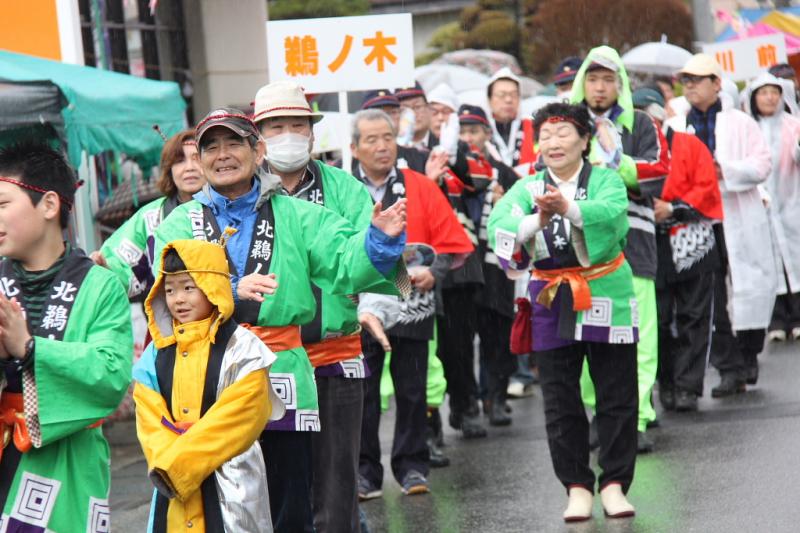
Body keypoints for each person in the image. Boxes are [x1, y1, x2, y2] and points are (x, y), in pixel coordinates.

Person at [154, 108, 407, 532]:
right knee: (220, 501)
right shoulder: (181, 222)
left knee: (291, 500)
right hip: (209, 372)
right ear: (200, 159)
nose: (222, 155)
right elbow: (168, 291)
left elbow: (344, 260)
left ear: (258, 152)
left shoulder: (297, 215)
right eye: (211, 147)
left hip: (281, 370)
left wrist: (378, 241)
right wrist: (232, 291)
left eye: (233, 143)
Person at [488, 103, 638, 522]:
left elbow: (612, 215)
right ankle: (576, 486)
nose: (553, 143)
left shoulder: (606, 180)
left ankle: (614, 483)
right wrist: (538, 219)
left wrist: (568, 209)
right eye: (545, 136)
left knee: (616, 392)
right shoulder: (527, 187)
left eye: (563, 134)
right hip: (551, 297)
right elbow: (499, 226)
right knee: (559, 396)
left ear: (585, 140)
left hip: (606, 290)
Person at [253, 79, 387, 533]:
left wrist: (380, 302)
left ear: (312, 134)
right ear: (257, 138)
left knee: (336, 486)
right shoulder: (241, 195)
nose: (288, 135)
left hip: (334, 354)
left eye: (297, 125)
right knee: (274, 487)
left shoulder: (346, 190)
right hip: (263, 362)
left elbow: (377, 259)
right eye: (276, 127)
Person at [0, 142, 133, 530]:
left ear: (48, 205)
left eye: (2, 204)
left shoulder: (100, 286)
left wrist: (29, 349)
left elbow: (111, 376)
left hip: (69, 461)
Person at [352, 108, 474, 499]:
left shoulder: (418, 184)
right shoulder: (342, 188)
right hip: (357, 307)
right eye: (371, 140)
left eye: (387, 138)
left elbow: (450, 243)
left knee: (412, 389)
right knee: (362, 392)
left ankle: (412, 466)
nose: (381, 146)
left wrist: (434, 271)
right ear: (354, 148)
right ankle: (364, 472)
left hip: (411, 301)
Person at [133, 239, 285, 531]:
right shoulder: (156, 352)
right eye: (170, 290)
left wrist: (177, 467)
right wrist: (169, 466)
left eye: (189, 288)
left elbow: (241, 416)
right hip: (171, 485)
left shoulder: (244, 349)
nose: (178, 299)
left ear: (213, 286)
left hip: (231, 481)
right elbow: (148, 416)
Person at [570, 45, 668, 439]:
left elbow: (658, 171)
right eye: (592, 79)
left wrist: (617, 162)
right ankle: (599, 413)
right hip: (581, 250)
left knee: (638, 335)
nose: (599, 87)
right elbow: (544, 168)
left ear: (621, 84)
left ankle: (636, 417)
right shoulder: (567, 124)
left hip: (635, 246)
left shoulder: (640, 123)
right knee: (587, 335)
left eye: (608, 79)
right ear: (582, 82)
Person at [665, 54, 775, 401]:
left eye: (698, 80)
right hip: (698, 218)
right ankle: (729, 367)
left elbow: (763, 164)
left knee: (750, 286)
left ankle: (748, 355)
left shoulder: (740, 122)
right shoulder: (676, 124)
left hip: (737, 213)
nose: (690, 86)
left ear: (716, 83)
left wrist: (724, 169)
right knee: (708, 296)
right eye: (686, 80)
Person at [634, 88, 724, 414]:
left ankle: (688, 385)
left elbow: (707, 189)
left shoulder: (690, 145)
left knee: (694, 317)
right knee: (655, 320)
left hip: (691, 240)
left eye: (648, 115)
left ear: (662, 116)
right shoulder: (626, 154)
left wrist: (672, 208)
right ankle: (667, 381)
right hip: (648, 242)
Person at [458, 104, 519, 426]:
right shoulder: (451, 171)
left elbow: (522, 216)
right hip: (462, 268)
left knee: (498, 336)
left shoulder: (503, 173)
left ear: (486, 134)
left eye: (474, 131)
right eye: (462, 131)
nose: (468, 138)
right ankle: (467, 402)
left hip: (496, 267)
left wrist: (503, 204)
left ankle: (496, 397)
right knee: (461, 342)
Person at [91, 130, 205, 298]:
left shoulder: (227, 207)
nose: (189, 167)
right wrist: (107, 268)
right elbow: (125, 268)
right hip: (169, 310)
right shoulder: (151, 217)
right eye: (179, 161)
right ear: (169, 169)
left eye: (197, 159)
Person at [742, 73, 800, 348]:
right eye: (763, 93)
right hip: (760, 208)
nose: (769, 98)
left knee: (795, 260)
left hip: (791, 204)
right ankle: (776, 320)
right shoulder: (748, 129)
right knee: (768, 263)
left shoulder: (792, 125)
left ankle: (797, 316)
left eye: (774, 92)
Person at [487, 67, 537, 173]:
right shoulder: (481, 130)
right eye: (501, 95)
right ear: (489, 99)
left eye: (513, 95)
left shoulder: (534, 126)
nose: (508, 100)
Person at [397, 82, 434, 150]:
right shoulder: (393, 149)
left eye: (417, 107)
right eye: (405, 110)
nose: (413, 114)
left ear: (428, 108)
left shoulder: (443, 141)